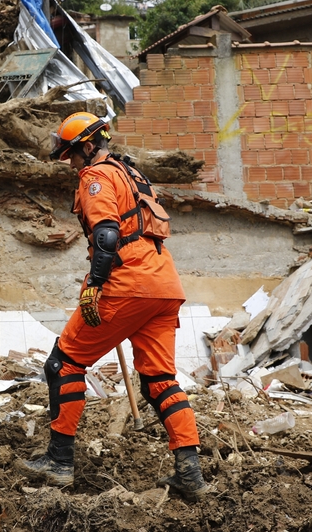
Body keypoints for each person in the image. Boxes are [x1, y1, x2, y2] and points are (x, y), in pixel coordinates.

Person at [19, 112, 211, 498]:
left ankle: (59, 462)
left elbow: (107, 234)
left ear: (88, 146)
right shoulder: (132, 174)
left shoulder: (96, 176)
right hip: (164, 284)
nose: (71, 163)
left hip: (128, 283)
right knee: (160, 380)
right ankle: (190, 472)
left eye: (72, 154)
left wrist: (94, 284)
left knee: (64, 363)